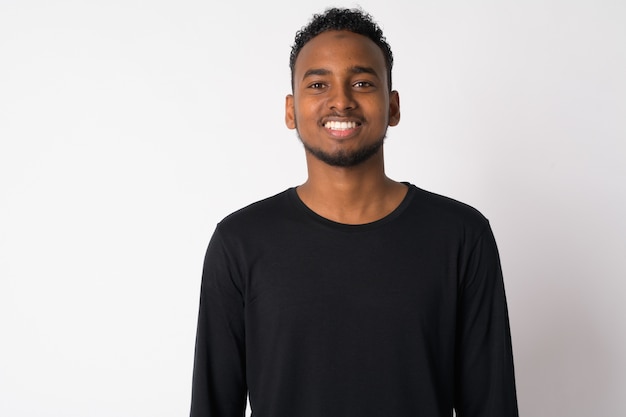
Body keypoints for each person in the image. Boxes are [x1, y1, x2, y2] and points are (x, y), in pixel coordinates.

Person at [190, 7, 518, 417]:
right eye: (318, 84)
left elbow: (492, 404)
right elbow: (212, 406)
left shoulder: (462, 236)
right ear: (291, 110)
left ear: (392, 106)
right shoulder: (239, 242)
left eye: (362, 82)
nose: (341, 101)